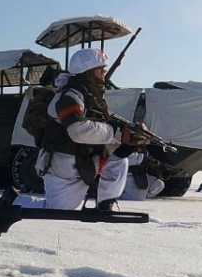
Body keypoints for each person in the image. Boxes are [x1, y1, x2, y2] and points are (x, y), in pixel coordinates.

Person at [34, 48, 146, 211]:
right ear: (87, 72)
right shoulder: (70, 96)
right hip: (64, 167)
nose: (104, 73)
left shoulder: (91, 97)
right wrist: (114, 133)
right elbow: (78, 131)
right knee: (53, 212)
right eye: (100, 69)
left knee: (119, 160)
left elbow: (102, 127)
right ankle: (14, 201)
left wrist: (128, 139)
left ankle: (105, 204)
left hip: (83, 160)